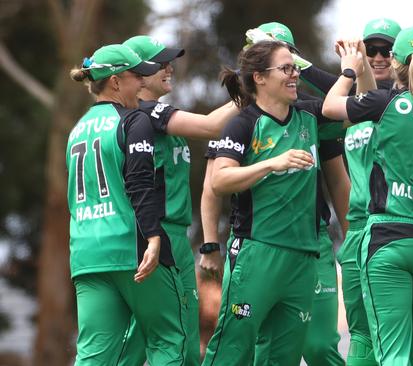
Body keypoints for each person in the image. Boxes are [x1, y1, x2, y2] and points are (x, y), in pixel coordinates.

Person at [323, 27, 413, 365]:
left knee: (393, 354)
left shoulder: (385, 102)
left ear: (396, 64)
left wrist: (349, 68)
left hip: (389, 237)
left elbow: (330, 107)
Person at [201, 40, 339, 366]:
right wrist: (271, 164)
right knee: (232, 351)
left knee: (283, 358)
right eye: (287, 68)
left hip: (303, 260)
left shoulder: (310, 114)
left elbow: (358, 104)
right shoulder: (243, 123)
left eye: (297, 68)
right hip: (257, 254)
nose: (295, 76)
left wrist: (350, 69)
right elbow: (219, 181)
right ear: (259, 78)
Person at [114, 35, 239, 366]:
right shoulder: (144, 112)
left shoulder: (159, 113)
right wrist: (251, 85)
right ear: (138, 73)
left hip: (175, 237)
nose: (169, 67)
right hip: (159, 236)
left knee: (165, 339)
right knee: (170, 341)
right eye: (160, 63)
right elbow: (212, 125)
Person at [67, 44, 185, 365]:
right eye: (137, 77)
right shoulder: (134, 121)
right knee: (167, 339)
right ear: (116, 82)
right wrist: (154, 236)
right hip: (131, 250)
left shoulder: (76, 131)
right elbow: (139, 183)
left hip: (86, 255)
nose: (142, 84)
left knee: (93, 354)